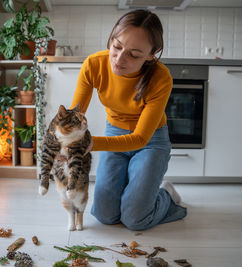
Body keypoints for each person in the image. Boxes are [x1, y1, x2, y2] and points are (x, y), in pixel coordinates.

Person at [69, 9, 187, 231]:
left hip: (151, 142)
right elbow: (75, 116)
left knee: (135, 219)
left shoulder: (161, 78)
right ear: (111, 38)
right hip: (115, 133)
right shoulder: (94, 64)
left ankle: (166, 195)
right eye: (117, 46)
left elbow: (140, 138)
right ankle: (134, 192)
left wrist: (90, 143)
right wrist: (64, 142)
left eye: (134, 54)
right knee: (105, 215)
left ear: (152, 54)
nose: (120, 59)